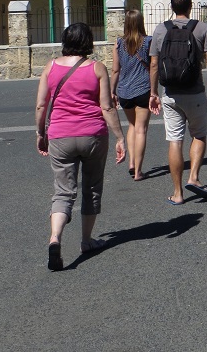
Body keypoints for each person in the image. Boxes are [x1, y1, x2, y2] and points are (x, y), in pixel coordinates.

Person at [36, 22, 127, 271]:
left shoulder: (50, 67)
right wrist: (120, 136)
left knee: (63, 191)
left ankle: (55, 238)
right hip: (93, 134)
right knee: (91, 188)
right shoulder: (97, 68)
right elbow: (107, 106)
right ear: (88, 41)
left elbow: (41, 105)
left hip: (60, 135)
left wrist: (40, 133)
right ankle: (86, 240)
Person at [149, 0, 207, 205]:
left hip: (170, 94)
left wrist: (153, 92)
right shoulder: (202, 28)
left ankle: (178, 193)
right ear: (191, 6)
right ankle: (194, 177)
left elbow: (154, 63)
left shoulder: (161, 30)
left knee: (174, 140)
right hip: (195, 92)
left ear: (172, 7)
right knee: (198, 135)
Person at [111, 9, 153, 181]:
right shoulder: (148, 42)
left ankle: (131, 164)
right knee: (141, 130)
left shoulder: (119, 43)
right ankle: (138, 171)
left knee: (132, 126)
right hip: (143, 88)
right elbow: (154, 66)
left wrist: (112, 91)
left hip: (125, 91)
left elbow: (115, 70)